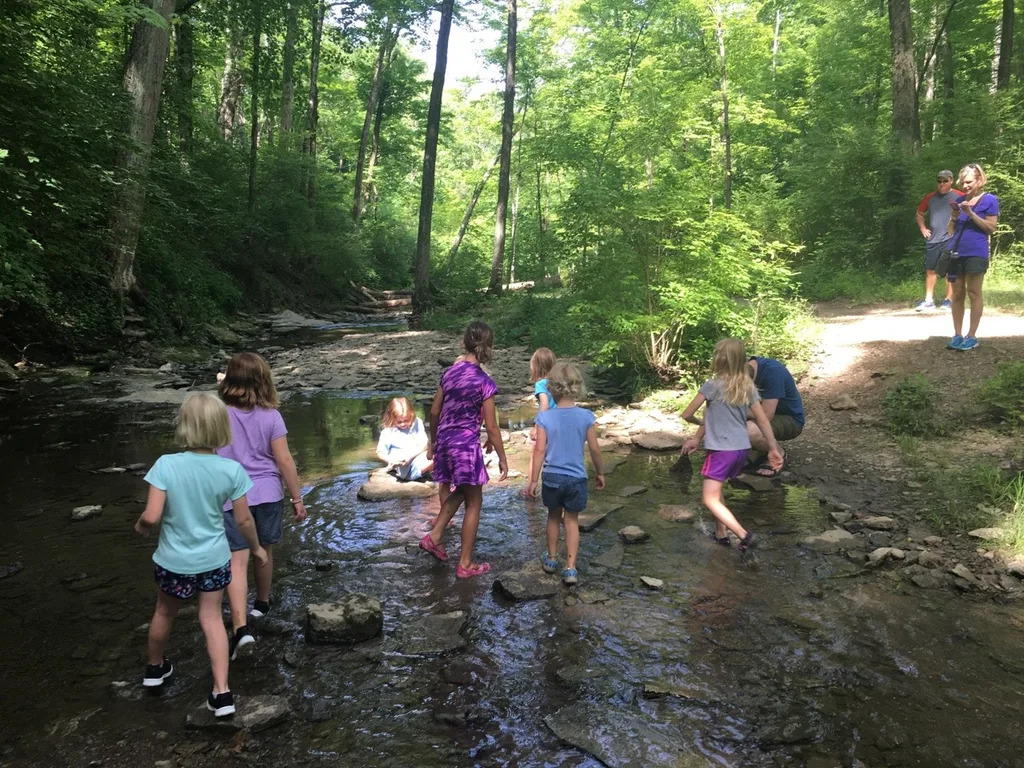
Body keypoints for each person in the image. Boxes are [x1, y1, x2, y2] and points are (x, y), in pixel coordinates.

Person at [134, 393, 268, 718]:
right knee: (210, 619)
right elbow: (243, 520)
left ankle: (155, 670)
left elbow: (151, 516)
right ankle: (222, 694)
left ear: (184, 426)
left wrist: (140, 527)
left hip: (172, 561)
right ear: (221, 427)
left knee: (164, 613)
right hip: (212, 560)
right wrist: (256, 548)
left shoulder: (166, 464)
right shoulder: (231, 470)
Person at [217, 352, 307, 660]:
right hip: (267, 493)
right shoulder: (271, 416)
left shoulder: (219, 415)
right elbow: (284, 460)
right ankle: (262, 604)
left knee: (237, 560)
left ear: (229, 381)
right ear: (264, 381)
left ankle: (240, 625)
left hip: (231, 496)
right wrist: (297, 498)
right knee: (264, 550)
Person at [419, 321, 508, 578]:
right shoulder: (484, 381)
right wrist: (502, 457)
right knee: (475, 501)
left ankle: (434, 536)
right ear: (489, 348)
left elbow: (434, 411)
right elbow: (491, 426)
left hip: (445, 441)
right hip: (466, 446)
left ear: (463, 343)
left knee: (462, 492)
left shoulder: (449, 373)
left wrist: (434, 442)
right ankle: (465, 563)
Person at [681, 339, 783, 551]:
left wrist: (698, 423)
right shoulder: (747, 387)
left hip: (721, 451)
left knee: (709, 499)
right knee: (716, 488)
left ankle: (744, 536)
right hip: (741, 449)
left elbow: (688, 413)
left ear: (718, 359)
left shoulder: (711, 386)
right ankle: (721, 533)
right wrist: (773, 448)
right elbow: (763, 420)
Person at [526, 362, 605, 584]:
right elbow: (595, 449)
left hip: (552, 476)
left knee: (553, 516)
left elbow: (540, 450)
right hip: (576, 478)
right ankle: (570, 568)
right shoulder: (586, 416)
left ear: (551, 388)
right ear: (577, 387)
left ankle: (551, 560)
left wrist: (533, 480)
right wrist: (600, 472)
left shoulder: (544, 418)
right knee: (571, 520)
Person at [947, 163, 999, 351]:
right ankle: (957, 335)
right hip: (956, 252)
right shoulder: (959, 200)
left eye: (969, 181)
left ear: (979, 180)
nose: (965, 185)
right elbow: (951, 231)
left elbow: (990, 228)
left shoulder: (990, 200)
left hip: (976, 252)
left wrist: (970, 213)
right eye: (962, 182)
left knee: (974, 293)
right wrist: (954, 215)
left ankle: (972, 336)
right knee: (958, 294)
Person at [743, 355, 804, 477]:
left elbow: (766, 416)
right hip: (759, 415)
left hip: (790, 419)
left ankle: (779, 453)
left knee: (748, 431)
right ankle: (759, 451)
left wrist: (735, 412)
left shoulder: (773, 372)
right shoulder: (743, 371)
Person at [914, 169, 957, 312]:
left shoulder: (959, 196)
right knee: (930, 270)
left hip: (950, 239)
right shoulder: (930, 197)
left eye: (945, 181)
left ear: (951, 180)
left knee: (950, 270)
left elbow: (970, 211)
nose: (942, 183)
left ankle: (949, 300)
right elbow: (919, 213)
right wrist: (923, 229)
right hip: (933, 240)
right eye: (939, 181)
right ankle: (928, 301)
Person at [376, 397, 433, 481]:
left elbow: (424, 444)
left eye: (406, 420)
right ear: (392, 418)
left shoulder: (417, 422)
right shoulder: (388, 431)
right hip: (404, 468)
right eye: (399, 422)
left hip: (418, 458)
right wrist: (391, 460)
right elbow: (380, 452)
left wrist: (410, 457)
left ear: (412, 414)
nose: (403, 424)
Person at [525, 348, 556, 497]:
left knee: (536, 453)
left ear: (536, 366)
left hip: (547, 424)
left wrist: (537, 426)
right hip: (560, 423)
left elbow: (544, 405)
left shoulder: (541, 384)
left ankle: (531, 486)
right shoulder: (558, 382)